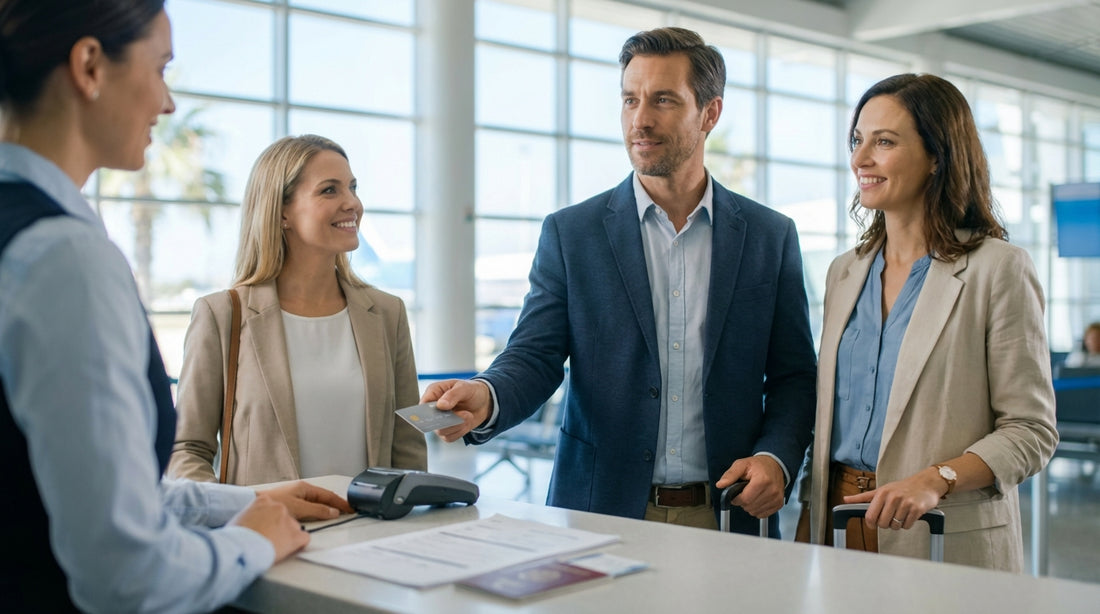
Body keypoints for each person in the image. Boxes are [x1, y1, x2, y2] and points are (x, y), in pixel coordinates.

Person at [0, 2, 352, 612]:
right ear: (89, 66)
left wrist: (249, 501)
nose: (167, 103)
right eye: (160, 68)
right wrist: (250, 544)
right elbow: (124, 571)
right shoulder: (64, 259)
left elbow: (86, 491)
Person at [422, 27, 816, 536]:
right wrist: (487, 393)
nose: (640, 120)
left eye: (663, 100)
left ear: (710, 113)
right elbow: (535, 354)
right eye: (630, 100)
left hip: (728, 515)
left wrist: (775, 457)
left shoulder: (769, 236)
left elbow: (793, 377)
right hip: (597, 510)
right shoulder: (571, 233)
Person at [796, 73, 1059, 571]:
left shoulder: (997, 268)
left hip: (940, 531)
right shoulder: (843, 273)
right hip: (835, 521)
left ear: (938, 156)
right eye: (858, 140)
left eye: (885, 142)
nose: (860, 159)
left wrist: (937, 477)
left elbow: (1031, 430)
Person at [167, 135, 427, 485]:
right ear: (282, 211)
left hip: (370, 532)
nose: (353, 203)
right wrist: (237, 512)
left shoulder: (386, 313)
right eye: (330, 190)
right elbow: (187, 449)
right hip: (267, 535)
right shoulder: (223, 315)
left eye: (353, 187)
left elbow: (407, 445)